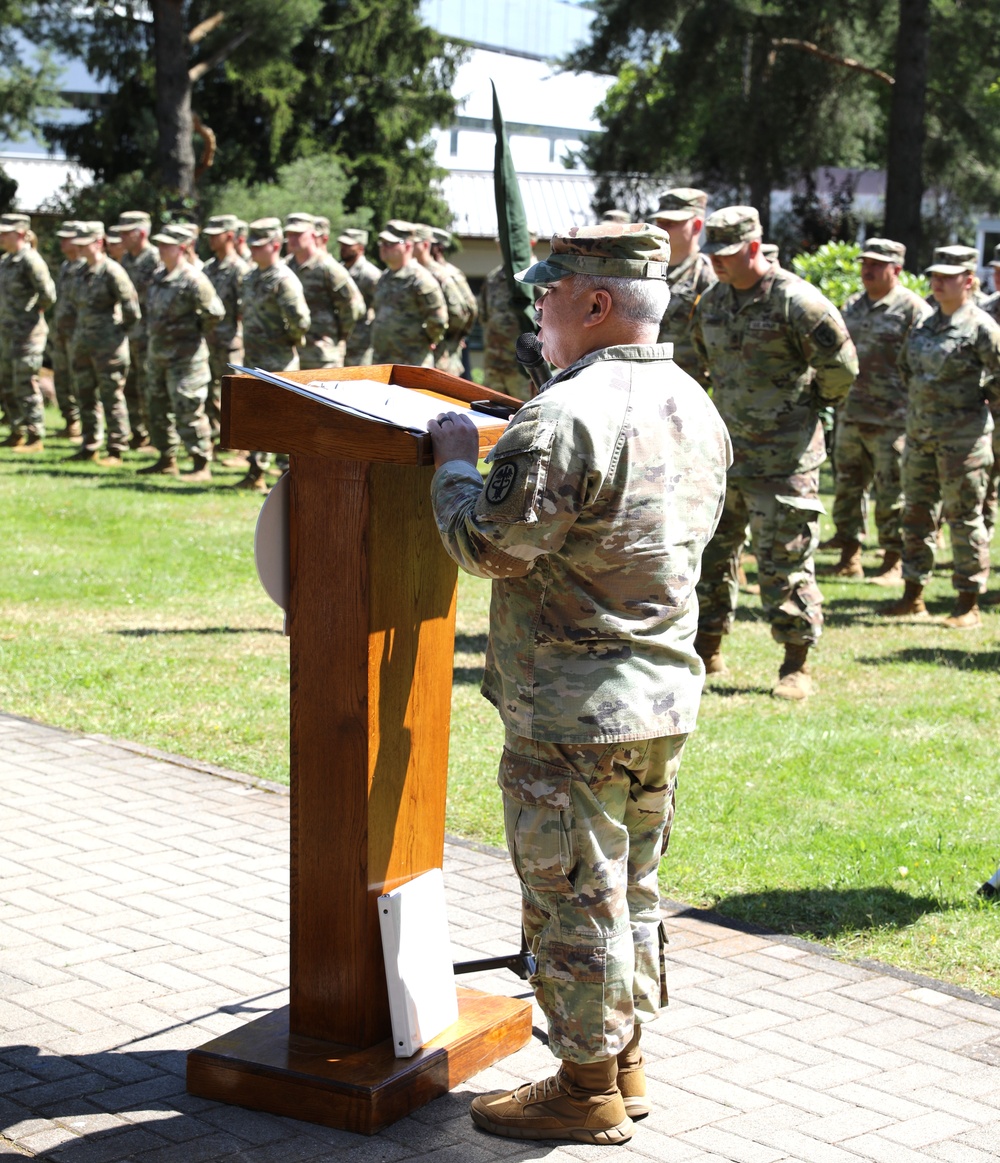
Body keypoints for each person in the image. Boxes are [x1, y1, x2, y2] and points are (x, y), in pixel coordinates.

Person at [427, 223, 730, 1143]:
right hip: (660, 695)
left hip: (572, 706)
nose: (538, 309)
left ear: (596, 303)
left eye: (549, 293)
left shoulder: (564, 413)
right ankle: (625, 1058)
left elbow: (491, 544)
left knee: (569, 893)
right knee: (627, 887)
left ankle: (586, 1086)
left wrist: (451, 468)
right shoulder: (692, 401)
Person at [690, 206, 858, 699]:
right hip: (727, 458)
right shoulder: (712, 303)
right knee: (712, 559)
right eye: (713, 253)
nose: (718, 262)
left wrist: (810, 408)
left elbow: (842, 368)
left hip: (785, 463)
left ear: (754, 246)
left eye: (728, 253)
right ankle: (706, 649)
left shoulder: (797, 302)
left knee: (784, 564)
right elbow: (705, 365)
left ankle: (795, 664)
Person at [886, 245, 1000, 628]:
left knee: (964, 518)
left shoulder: (982, 327)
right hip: (920, 437)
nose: (937, 282)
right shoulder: (924, 324)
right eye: (934, 276)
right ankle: (913, 594)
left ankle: (968, 602)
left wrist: (975, 410)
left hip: (962, 441)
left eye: (947, 277)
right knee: (916, 513)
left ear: (968, 281)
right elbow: (906, 369)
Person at [826, 239, 932, 582]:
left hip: (893, 421)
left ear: (896, 270)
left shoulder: (913, 310)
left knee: (892, 494)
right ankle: (849, 556)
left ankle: (892, 560)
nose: (867, 270)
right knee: (847, 489)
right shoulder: (852, 306)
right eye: (864, 264)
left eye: (877, 264)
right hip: (852, 414)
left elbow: (926, 363)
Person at [140, 224, 225, 480]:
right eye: (160, 244)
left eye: (167, 245)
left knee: (188, 409)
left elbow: (215, 312)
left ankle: (201, 464)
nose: (161, 249)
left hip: (186, 357)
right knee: (156, 406)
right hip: (158, 354)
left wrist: (194, 330)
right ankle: (166, 458)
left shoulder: (194, 279)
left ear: (183, 248)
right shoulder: (158, 276)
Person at [233, 217, 310, 492]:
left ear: (275, 246)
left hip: (279, 360)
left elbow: (301, 320)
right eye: (251, 245)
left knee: (283, 418)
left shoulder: (284, 279)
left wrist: (286, 341)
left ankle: (287, 475)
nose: (253, 251)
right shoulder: (251, 277)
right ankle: (256, 472)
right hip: (254, 358)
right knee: (258, 416)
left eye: (259, 246)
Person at [67, 221, 140, 464]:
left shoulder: (112, 271)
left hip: (108, 347)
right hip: (83, 344)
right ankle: (89, 444)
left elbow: (132, 309)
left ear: (99, 242)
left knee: (112, 396)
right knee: (85, 394)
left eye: (84, 244)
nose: (78, 248)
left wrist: (116, 333)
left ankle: (116, 448)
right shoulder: (79, 271)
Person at [0, 213, 56, 452]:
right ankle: (17, 431)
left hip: (27, 334)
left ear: (21, 233)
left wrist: (31, 314)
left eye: (5, 232)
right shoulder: (6, 261)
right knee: (8, 383)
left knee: (25, 383)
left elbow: (48, 295)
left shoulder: (30, 260)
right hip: (7, 333)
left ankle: (35, 436)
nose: (1, 236)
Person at [649, 188, 716, 388]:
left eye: (671, 223)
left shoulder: (706, 276)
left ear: (696, 226)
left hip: (685, 388)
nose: (662, 228)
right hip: (643, 384)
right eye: (660, 222)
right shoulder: (645, 269)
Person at [284, 211, 365, 370]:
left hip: (322, 356)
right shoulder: (286, 267)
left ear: (313, 235)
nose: (292, 239)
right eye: (289, 234)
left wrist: (338, 335)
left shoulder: (328, 268)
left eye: (298, 234)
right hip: (291, 354)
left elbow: (354, 306)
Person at [202, 214, 249, 453]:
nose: (210, 238)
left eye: (215, 233)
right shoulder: (209, 268)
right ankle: (219, 440)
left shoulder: (239, 269)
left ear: (229, 236)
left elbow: (245, 309)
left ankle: (241, 449)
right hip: (209, 342)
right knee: (210, 394)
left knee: (235, 399)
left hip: (231, 343)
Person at [370, 221, 446, 367]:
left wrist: (428, 341)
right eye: (382, 242)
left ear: (408, 246)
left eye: (391, 243)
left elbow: (438, 319)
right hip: (382, 362)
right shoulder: (384, 278)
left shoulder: (420, 279)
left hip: (411, 363)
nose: (384, 247)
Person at [116, 210, 158, 450]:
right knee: (131, 385)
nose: (121, 236)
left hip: (149, 335)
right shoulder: (127, 259)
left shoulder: (154, 258)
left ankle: (155, 436)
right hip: (130, 333)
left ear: (141, 233)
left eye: (126, 232)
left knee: (149, 387)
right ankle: (139, 433)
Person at [478, 233, 538, 401]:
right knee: (493, 417)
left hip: (524, 371)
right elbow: (484, 317)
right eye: (500, 243)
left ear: (531, 242)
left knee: (526, 418)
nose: (503, 246)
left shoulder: (538, 276)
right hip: (495, 366)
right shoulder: (493, 278)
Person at [412, 223, 474, 376]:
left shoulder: (448, 273)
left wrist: (455, 335)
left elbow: (468, 310)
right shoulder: (413, 271)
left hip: (443, 351)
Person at [50, 220, 85, 439]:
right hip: (62, 333)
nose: (62, 242)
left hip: (80, 335)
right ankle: (71, 423)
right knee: (62, 379)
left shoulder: (86, 267)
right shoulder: (66, 266)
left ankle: (88, 428)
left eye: (67, 238)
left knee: (81, 381)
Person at [431, 226, 478, 375]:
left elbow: (470, 309)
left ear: (438, 248)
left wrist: (458, 335)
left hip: (445, 352)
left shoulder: (451, 273)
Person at [338, 227, 382, 366]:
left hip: (361, 345)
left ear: (360, 248)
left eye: (348, 245)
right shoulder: (339, 270)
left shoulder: (370, 275)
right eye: (342, 245)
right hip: (340, 341)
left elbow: (382, 306)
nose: (343, 248)